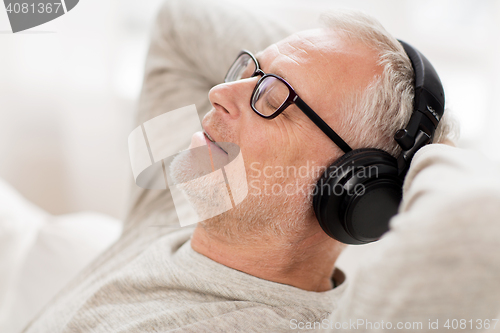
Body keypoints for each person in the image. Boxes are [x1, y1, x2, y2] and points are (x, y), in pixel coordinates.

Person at [23, 0, 500, 332]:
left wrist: (405, 159)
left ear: (351, 183)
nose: (218, 93)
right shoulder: (179, 203)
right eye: (249, 72)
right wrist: (310, 61)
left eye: (271, 96)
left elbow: (477, 219)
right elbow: (179, 22)